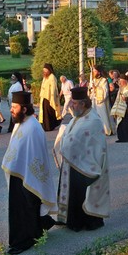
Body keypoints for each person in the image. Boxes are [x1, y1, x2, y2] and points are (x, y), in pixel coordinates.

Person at [1, 91, 57, 255]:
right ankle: (36, 230)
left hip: (27, 177)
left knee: (25, 209)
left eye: (14, 107)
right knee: (22, 209)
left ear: (24, 109)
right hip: (20, 175)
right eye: (11, 106)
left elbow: (34, 155)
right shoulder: (21, 123)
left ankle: (24, 240)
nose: (11, 110)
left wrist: (24, 171)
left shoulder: (32, 127)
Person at [53, 87, 110, 232]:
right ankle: (67, 218)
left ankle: (81, 222)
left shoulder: (94, 120)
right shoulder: (76, 117)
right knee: (71, 192)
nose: (71, 105)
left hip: (85, 167)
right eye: (71, 102)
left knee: (79, 194)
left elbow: (89, 144)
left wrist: (68, 146)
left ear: (84, 104)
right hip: (72, 163)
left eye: (75, 103)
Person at [89, 65, 114, 136]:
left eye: (95, 71)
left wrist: (96, 88)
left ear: (99, 72)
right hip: (94, 100)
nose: (94, 73)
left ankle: (106, 130)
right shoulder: (93, 80)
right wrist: (91, 89)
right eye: (93, 71)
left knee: (102, 115)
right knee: (95, 116)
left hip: (101, 101)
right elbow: (91, 90)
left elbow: (105, 90)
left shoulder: (104, 80)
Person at [38, 63, 62, 131]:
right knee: (44, 113)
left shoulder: (52, 77)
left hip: (50, 98)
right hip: (44, 98)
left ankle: (50, 126)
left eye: (45, 70)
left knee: (49, 112)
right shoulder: (45, 77)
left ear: (49, 70)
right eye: (44, 70)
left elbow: (54, 88)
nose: (44, 72)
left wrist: (52, 98)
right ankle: (45, 126)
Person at [111, 74, 128, 143]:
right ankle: (121, 137)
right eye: (120, 81)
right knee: (120, 123)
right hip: (119, 107)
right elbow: (118, 98)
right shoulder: (121, 88)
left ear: (125, 81)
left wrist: (126, 98)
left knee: (126, 123)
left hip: (126, 107)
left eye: (122, 81)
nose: (120, 83)